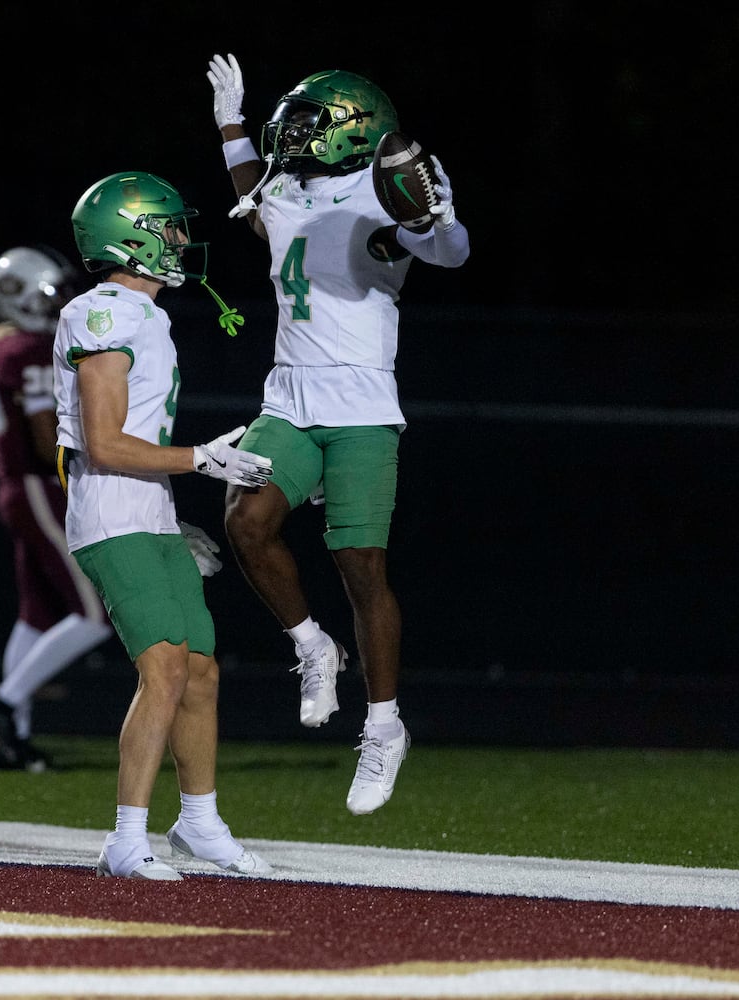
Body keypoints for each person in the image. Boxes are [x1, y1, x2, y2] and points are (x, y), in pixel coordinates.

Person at [203, 55, 470, 815]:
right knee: (244, 523)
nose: (291, 136)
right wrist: (228, 119)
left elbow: (445, 251)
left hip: (358, 406)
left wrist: (434, 221)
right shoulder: (290, 184)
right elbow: (256, 204)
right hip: (287, 398)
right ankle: (310, 645)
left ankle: (383, 726)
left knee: (360, 566)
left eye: (307, 124)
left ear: (351, 130)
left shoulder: (381, 184)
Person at [54, 170, 275, 880]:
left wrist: (169, 510)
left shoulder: (145, 313)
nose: (181, 239)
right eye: (170, 227)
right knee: (164, 668)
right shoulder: (103, 313)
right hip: (110, 518)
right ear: (135, 234)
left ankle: (200, 823)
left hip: (145, 512)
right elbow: (101, 441)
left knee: (202, 669)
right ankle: (124, 837)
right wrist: (202, 461)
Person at [0, 245, 115, 771]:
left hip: (15, 487)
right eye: (49, 295)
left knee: (36, 614)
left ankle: (12, 738)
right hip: (36, 485)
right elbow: (41, 433)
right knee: (98, 612)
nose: (59, 304)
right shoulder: (27, 349)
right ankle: (4, 706)